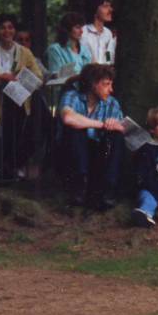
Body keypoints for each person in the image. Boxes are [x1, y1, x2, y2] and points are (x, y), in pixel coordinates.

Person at [0, 12, 45, 181]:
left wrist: (19, 79)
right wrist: (1, 77)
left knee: (20, 136)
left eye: (10, 27)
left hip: (19, 100)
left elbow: (38, 76)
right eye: (2, 28)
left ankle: (15, 169)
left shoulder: (24, 52)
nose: (7, 31)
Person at [58, 63, 125, 209]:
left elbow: (121, 127)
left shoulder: (112, 103)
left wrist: (114, 126)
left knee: (117, 137)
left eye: (111, 84)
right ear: (93, 84)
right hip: (72, 155)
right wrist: (101, 124)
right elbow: (68, 118)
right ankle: (79, 189)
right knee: (75, 130)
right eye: (106, 84)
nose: (111, 89)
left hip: (97, 154)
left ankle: (108, 190)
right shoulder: (72, 96)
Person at [44, 12, 93, 83]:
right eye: (77, 27)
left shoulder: (85, 50)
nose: (81, 31)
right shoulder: (55, 49)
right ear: (67, 29)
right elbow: (55, 76)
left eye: (82, 28)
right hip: (66, 88)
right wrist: (80, 76)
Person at [80, 0, 116, 65]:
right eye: (105, 6)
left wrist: (107, 63)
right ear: (94, 9)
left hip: (104, 71)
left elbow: (108, 56)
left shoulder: (108, 33)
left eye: (110, 6)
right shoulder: (82, 32)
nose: (110, 10)